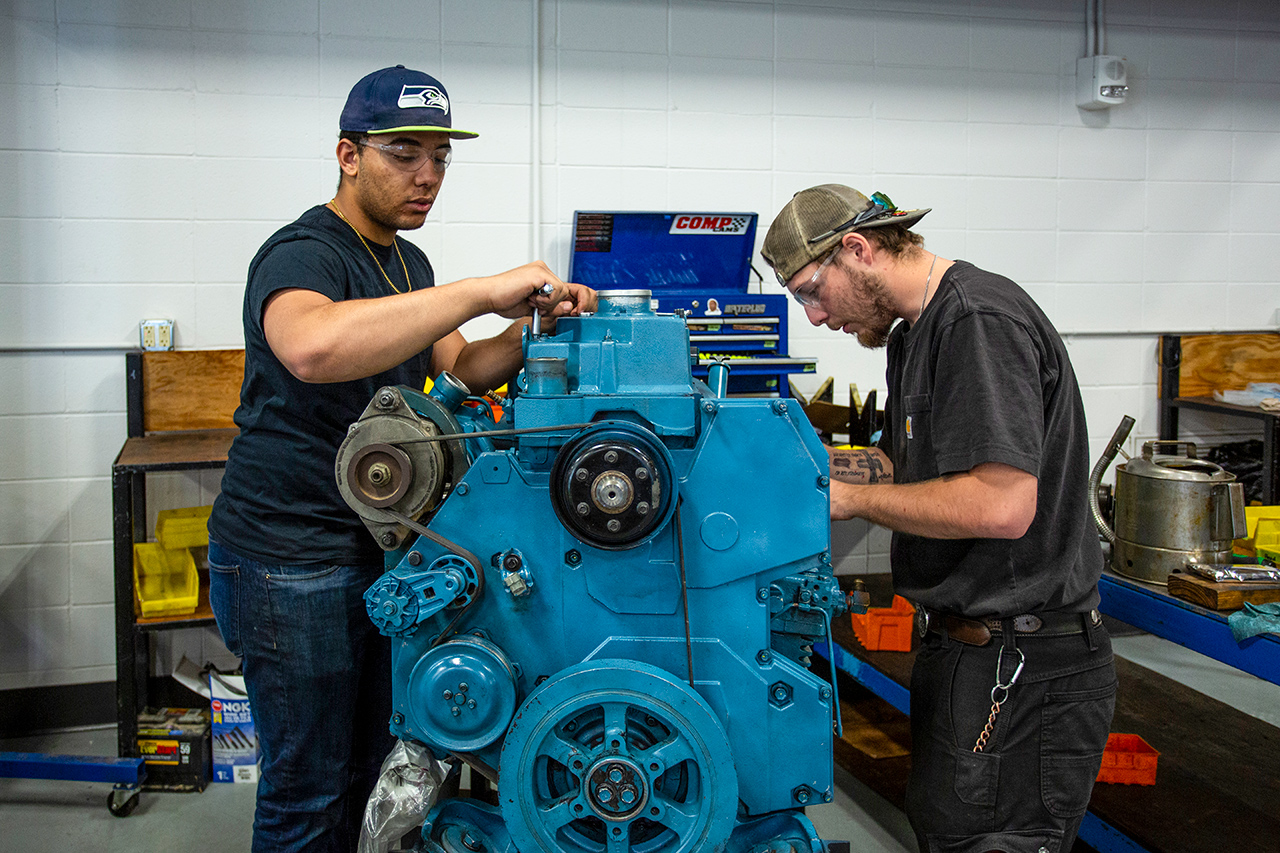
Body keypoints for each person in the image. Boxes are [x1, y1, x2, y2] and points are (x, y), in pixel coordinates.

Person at [206, 65, 594, 853]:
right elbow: (312, 346)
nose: (427, 176)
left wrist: (533, 330)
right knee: (307, 786)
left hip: (380, 550)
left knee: (372, 766)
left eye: (441, 158)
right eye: (403, 153)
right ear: (348, 154)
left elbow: (463, 369)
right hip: (289, 560)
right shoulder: (302, 253)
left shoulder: (406, 266)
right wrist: (483, 288)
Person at [762, 184, 1115, 853]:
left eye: (812, 289)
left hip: (1024, 665)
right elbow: (900, 467)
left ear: (858, 250)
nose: (812, 316)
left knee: (994, 840)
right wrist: (782, 471)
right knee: (949, 833)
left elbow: (1003, 504)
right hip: (966, 653)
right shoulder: (913, 335)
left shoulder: (976, 320)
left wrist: (852, 500)